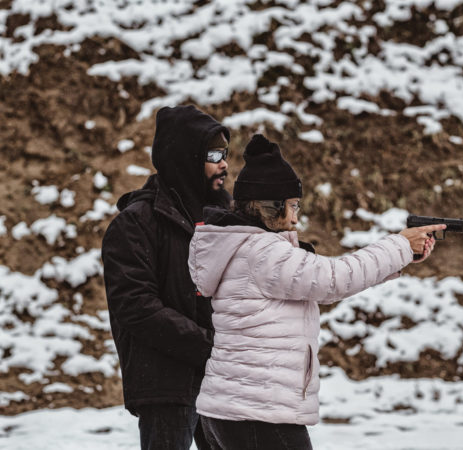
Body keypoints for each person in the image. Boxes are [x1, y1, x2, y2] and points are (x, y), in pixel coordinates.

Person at [188, 134, 445, 449]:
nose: (296, 217)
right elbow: (334, 279)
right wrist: (400, 245)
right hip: (258, 412)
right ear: (270, 206)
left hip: (230, 410)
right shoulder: (263, 251)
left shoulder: (242, 246)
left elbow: (323, 280)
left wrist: (402, 255)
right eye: (292, 206)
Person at [102, 105, 232, 450]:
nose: (224, 164)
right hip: (167, 384)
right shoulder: (136, 224)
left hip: (221, 379)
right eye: (214, 154)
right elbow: (136, 306)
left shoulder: (225, 218)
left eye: (226, 153)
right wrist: (210, 345)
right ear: (185, 157)